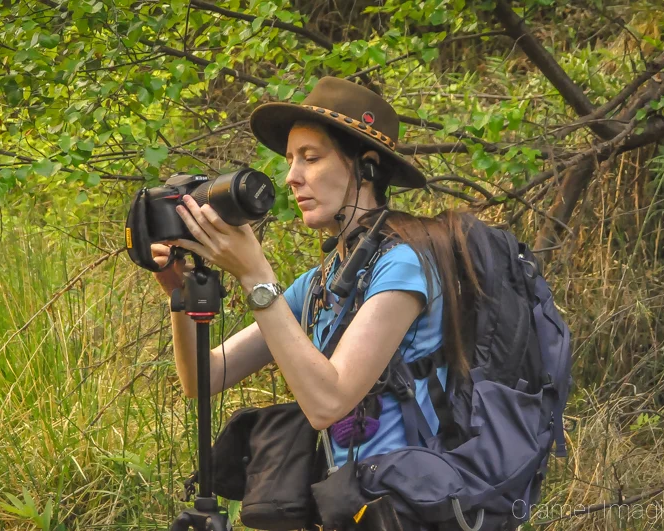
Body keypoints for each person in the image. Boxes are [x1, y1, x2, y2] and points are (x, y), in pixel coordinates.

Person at [150, 76, 478, 471]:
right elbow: (204, 379)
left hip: (413, 501)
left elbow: (329, 403)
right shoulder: (323, 281)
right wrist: (180, 295)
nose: (291, 176)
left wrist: (256, 276)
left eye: (310, 157)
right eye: (290, 159)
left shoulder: (405, 263)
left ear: (367, 167)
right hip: (354, 500)